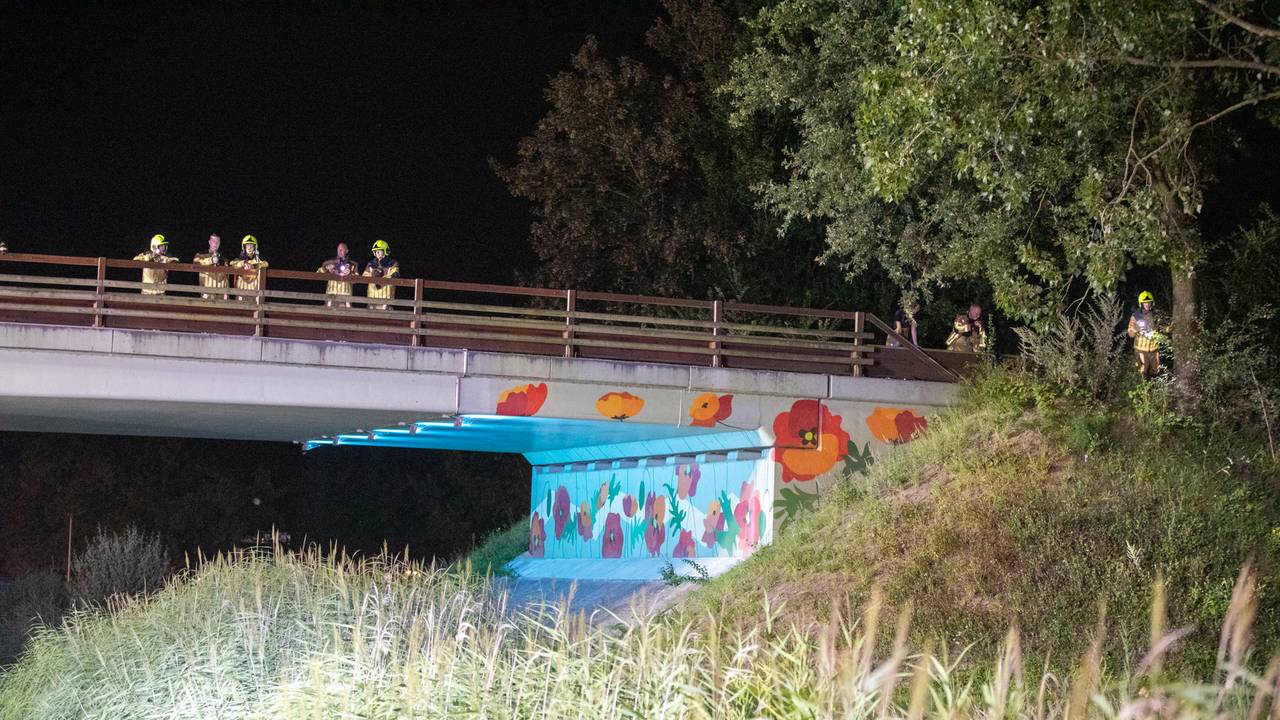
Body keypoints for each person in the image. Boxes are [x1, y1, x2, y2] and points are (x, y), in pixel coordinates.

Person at [1127, 290, 1163, 378]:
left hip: (1154, 348)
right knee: (1142, 371)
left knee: (1156, 370)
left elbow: (1161, 328)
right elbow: (1130, 333)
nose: (1147, 304)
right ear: (1141, 304)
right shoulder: (1136, 315)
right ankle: (1143, 389)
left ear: (1152, 303)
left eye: (1149, 302)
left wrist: (1167, 329)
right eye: (1145, 303)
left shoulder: (1156, 314)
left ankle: (1155, 389)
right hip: (1141, 349)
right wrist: (1137, 328)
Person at [362, 239, 400, 310]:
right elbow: (364, 276)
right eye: (376, 251)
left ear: (385, 251)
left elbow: (395, 274)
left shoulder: (392, 263)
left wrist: (382, 278)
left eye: (380, 250)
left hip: (386, 299)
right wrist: (373, 274)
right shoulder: (371, 264)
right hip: (372, 298)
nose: (377, 252)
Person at [317, 242, 357, 307]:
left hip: (345, 296)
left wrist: (349, 273)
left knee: (345, 315)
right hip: (331, 295)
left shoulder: (353, 264)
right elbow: (318, 274)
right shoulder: (331, 262)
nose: (339, 251)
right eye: (338, 249)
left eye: (342, 249)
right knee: (328, 314)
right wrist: (327, 268)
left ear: (347, 251)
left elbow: (356, 280)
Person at [229, 235, 268, 299]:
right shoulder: (240, 259)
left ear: (255, 247)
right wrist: (243, 263)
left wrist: (254, 266)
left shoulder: (258, 259)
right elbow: (232, 264)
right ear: (244, 247)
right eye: (247, 245)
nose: (249, 248)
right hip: (241, 291)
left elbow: (266, 264)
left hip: (254, 292)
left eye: (251, 245)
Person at [191, 234, 228, 300]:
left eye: (218, 241)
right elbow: (195, 264)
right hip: (207, 294)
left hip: (221, 295)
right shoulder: (201, 255)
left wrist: (226, 293)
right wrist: (211, 260)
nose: (216, 243)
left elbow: (226, 277)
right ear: (209, 242)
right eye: (214, 241)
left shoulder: (223, 259)